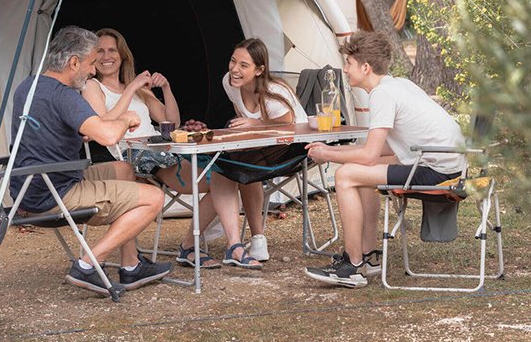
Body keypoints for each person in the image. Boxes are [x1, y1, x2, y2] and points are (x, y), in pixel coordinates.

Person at [9, 25, 171, 295]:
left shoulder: (29, 85)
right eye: (91, 63)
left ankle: (130, 266)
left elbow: (74, 131)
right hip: (54, 193)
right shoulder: (64, 95)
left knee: (123, 169)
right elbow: (108, 136)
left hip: (30, 185)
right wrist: (126, 119)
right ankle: (87, 265)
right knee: (154, 198)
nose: (94, 71)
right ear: (73, 63)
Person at [303, 30, 467, 288]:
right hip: (448, 165)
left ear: (365, 68)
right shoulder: (399, 85)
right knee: (357, 171)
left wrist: (328, 155)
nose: (345, 69)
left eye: (349, 63)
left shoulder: (382, 94)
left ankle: (351, 265)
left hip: (437, 172)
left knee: (345, 176)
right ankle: (367, 256)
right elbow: (379, 150)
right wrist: (331, 151)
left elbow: (370, 155)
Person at [81, 28, 222, 270]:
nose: (106, 56)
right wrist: (131, 89)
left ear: (122, 55)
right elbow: (102, 123)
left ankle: (189, 245)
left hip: (159, 151)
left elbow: (171, 122)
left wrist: (166, 88)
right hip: (126, 156)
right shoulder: (93, 86)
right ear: (93, 57)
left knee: (221, 180)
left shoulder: (136, 87)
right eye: (100, 51)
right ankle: (136, 258)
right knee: (211, 178)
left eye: (112, 50)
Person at [209, 37, 308, 268]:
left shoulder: (273, 93)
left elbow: (290, 127)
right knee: (230, 163)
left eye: (243, 65)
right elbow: (241, 113)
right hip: (261, 143)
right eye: (233, 61)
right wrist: (248, 130)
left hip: (294, 145)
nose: (235, 69)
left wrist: (256, 125)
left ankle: (257, 239)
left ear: (259, 70)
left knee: (244, 164)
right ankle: (241, 239)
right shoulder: (229, 83)